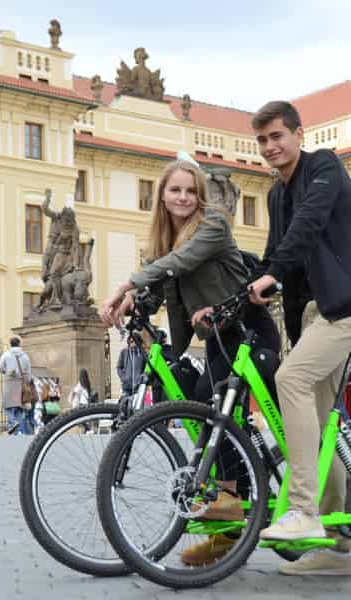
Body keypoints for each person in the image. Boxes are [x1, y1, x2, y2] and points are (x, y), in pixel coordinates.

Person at [99, 158, 280, 566]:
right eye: (175, 190)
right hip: (217, 337)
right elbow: (163, 284)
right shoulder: (166, 239)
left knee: (213, 409)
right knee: (210, 412)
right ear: (162, 195)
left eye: (190, 190)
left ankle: (232, 525)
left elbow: (179, 263)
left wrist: (128, 282)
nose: (183, 197)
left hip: (247, 333)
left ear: (199, 195)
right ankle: (238, 509)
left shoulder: (213, 225)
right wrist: (134, 302)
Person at [247, 101, 351, 576]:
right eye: (263, 140)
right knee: (318, 426)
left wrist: (274, 275)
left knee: (290, 380)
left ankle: (303, 510)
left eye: (277, 136)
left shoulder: (323, 166)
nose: (270, 147)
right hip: (320, 314)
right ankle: (336, 550)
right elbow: (272, 256)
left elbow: (309, 226)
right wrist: (240, 289)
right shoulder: (274, 195)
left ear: (298, 135)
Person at [0, 337, 32, 435]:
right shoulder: (25, 356)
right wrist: (27, 382)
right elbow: (29, 373)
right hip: (21, 384)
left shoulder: (6, 355)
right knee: (19, 408)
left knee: (6, 406)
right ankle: (18, 431)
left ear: (10, 344)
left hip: (9, 383)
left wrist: (7, 372)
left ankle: (13, 422)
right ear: (19, 344)